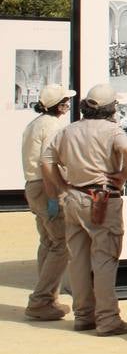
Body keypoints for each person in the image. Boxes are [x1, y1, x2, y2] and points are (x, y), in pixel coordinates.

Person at [40, 83, 127, 337]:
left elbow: (46, 160)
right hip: (102, 197)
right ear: (111, 108)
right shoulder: (112, 130)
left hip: (74, 196)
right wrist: (122, 175)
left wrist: (61, 186)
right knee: (104, 258)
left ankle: (84, 315)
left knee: (78, 258)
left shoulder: (69, 130)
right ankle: (108, 319)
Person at [21, 83, 76, 321]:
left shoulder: (35, 124)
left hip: (33, 185)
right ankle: (41, 300)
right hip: (47, 187)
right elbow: (49, 163)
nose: (69, 104)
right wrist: (57, 193)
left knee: (48, 241)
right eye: (66, 100)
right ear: (61, 105)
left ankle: (48, 297)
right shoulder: (53, 126)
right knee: (61, 244)